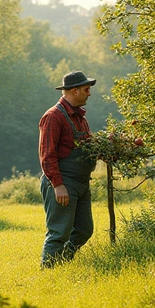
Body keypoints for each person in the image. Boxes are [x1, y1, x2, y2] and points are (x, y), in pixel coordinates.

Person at [38, 71, 97, 268]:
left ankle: (62, 263)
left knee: (84, 230)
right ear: (74, 90)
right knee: (59, 233)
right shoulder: (53, 116)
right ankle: (49, 272)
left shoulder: (81, 118)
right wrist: (58, 185)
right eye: (87, 90)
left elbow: (90, 146)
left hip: (81, 184)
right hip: (63, 183)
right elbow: (47, 155)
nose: (89, 93)